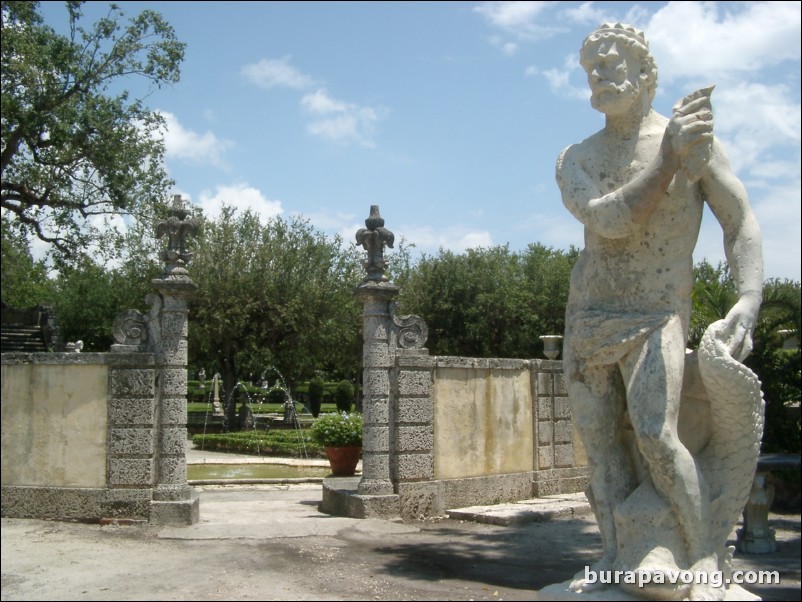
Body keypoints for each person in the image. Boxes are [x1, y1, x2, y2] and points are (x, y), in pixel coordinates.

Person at [556, 23, 763, 600]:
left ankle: (703, 555)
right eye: (590, 66)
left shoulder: (691, 147)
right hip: (590, 313)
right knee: (600, 448)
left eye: (612, 61)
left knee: (655, 436)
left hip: (655, 311)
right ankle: (617, 555)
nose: (599, 73)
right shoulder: (575, 158)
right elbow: (611, 221)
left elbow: (739, 219)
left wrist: (749, 296)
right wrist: (669, 159)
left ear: (647, 73)